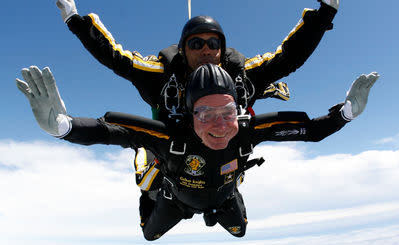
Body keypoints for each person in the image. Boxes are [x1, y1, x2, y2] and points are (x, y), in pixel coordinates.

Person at [16, 63, 379, 240]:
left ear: (238, 111)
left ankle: (201, 203)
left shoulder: (247, 132)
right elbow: (112, 131)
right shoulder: (169, 136)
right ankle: (148, 176)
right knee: (149, 234)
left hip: (220, 197)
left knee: (240, 232)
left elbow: (310, 131)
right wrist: (63, 127)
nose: (219, 125)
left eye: (226, 113)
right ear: (191, 116)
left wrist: (345, 114)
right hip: (174, 198)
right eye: (206, 114)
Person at [55, 0, 340, 217]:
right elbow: (116, 58)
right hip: (171, 143)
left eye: (213, 43)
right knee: (148, 187)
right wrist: (74, 19)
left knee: (234, 194)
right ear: (182, 49)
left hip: (221, 145)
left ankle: (232, 176)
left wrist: (325, 13)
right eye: (196, 43)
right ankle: (148, 159)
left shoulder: (241, 74)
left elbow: (288, 59)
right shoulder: (161, 74)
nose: (206, 49)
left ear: (222, 48)